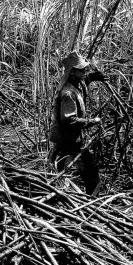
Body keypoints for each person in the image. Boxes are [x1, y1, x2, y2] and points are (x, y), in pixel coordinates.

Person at [48, 51, 106, 195]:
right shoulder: (68, 93)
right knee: (90, 171)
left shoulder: (75, 84)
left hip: (69, 140)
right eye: (81, 70)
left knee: (59, 171)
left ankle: (63, 194)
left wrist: (92, 77)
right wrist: (92, 121)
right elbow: (69, 120)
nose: (85, 71)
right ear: (72, 72)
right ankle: (91, 201)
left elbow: (83, 84)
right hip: (69, 140)